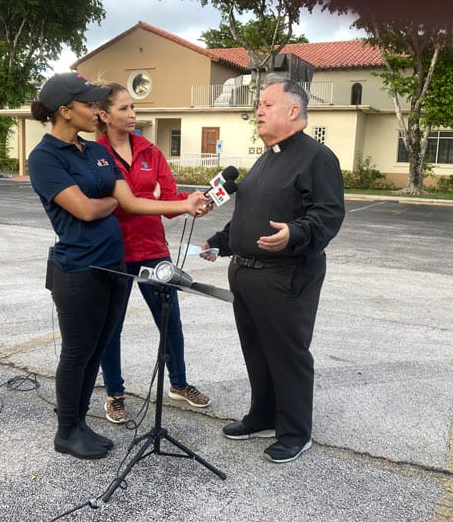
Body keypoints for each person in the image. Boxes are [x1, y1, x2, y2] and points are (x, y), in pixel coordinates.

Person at [28, 73, 207, 460]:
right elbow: (88, 208)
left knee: (96, 349)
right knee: (77, 352)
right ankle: (66, 431)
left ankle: (80, 423)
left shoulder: (94, 152)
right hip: (78, 269)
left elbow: (130, 200)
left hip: (114, 266)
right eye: (89, 105)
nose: (96, 110)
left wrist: (178, 203)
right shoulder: (44, 157)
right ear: (64, 111)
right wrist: (113, 201)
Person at [201, 74, 345, 464]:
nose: (258, 111)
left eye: (267, 105)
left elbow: (328, 215)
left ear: (294, 110)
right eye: (259, 106)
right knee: (257, 352)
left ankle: (296, 432)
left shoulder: (317, 158)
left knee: (287, 354)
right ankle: (262, 416)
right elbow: (251, 213)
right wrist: (221, 242)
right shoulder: (267, 157)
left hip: (286, 276)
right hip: (248, 275)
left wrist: (295, 234)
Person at [95, 82, 210, 424]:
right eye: (124, 109)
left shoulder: (151, 151)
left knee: (169, 319)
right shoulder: (94, 155)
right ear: (104, 115)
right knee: (111, 327)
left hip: (152, 249)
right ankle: (115, 394)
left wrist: (191, 206)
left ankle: (179, 383)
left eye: (134, 108)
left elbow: (171, 203)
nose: (133, 114)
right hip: (112, 252)